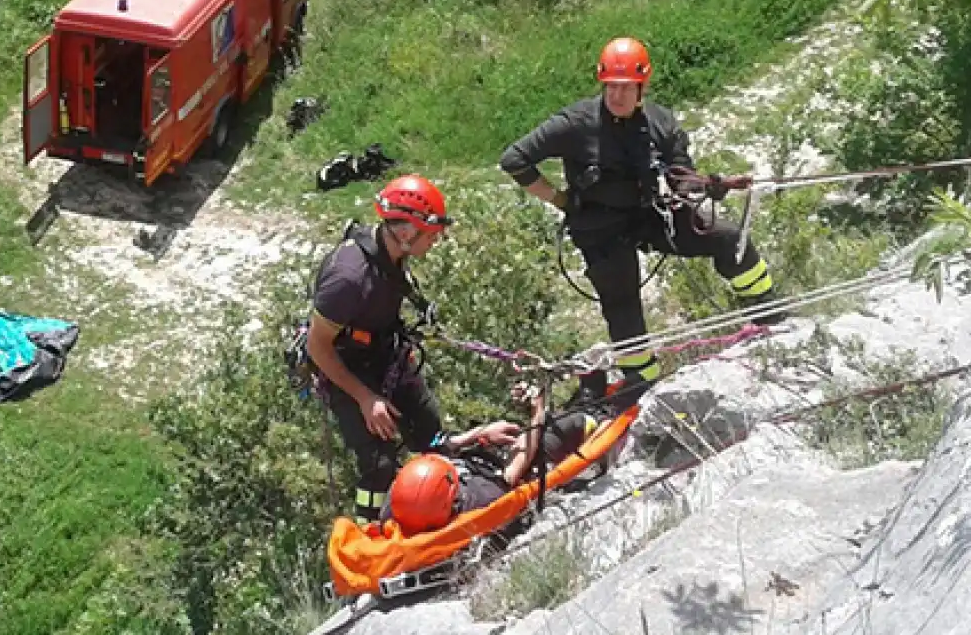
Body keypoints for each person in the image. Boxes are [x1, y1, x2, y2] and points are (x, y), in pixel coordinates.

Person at [498, 37, 777, 403]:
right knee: (622, 300)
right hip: (599, 227)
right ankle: (641, 380)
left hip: (649, 213)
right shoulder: (575, 123)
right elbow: (514, 159)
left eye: (625, 88)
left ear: (641, 87)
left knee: (726, 237)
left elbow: (680, 176)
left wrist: (710, 186)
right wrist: (561, 200)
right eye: (611, 87)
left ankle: (768, 312)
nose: (616, 96)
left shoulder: (660, 123)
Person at [307, 174, 501, 523]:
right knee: (379, 465)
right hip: (345, 366)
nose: (435, 242)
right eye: (432, 235)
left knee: (432, 436)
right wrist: (366, 398)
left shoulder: (390, 251)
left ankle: (440, 512)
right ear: (407, 232)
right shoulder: (348, 277)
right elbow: (317, 346)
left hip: (385, 352)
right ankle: (372, 536)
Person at [382, 382, 605, 535]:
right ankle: (598, 412)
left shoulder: (399, 505)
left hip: (480, 456)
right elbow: (518, 464)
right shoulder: (481, 499)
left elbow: (440, 449)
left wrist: (480, 433)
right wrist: (537, 411)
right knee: (571, 424)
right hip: (506, 462)